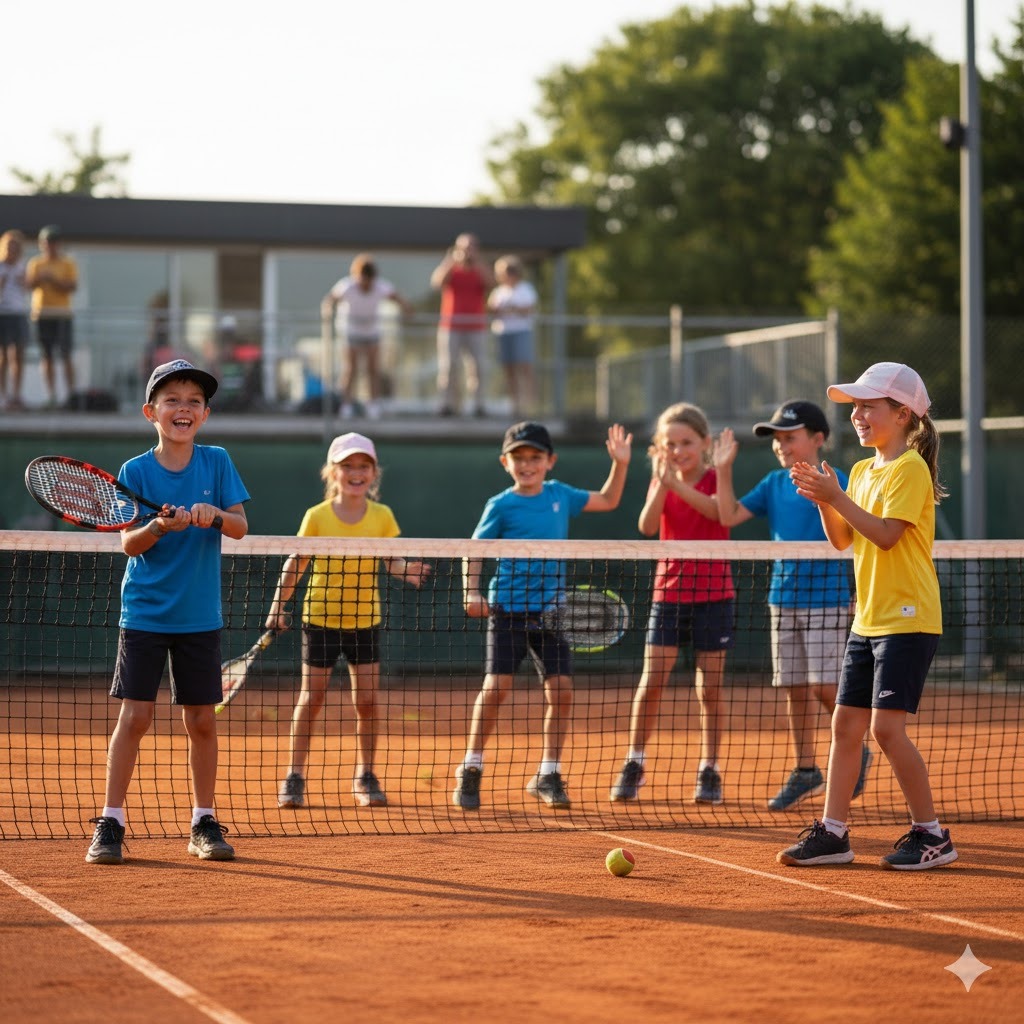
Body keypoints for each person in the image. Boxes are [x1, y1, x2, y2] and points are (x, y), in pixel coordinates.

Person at [778, 362, 958, 870]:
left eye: (868, 406)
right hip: (869, 619)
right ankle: (834, 833)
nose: (857, 415)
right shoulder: (860, 471)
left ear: (902, 414)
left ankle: (933, 834)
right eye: (854, 407)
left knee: (886, 730)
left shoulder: (910, 469)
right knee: (845, 726)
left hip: (909, 617)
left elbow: (885, 534)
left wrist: (835, 496)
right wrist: (823, 500)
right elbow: (844, 540)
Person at [85, 359, 251, 865]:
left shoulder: (217, 462)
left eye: (193, 401)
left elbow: (241, 527)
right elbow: (129, 544)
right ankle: (111, 822)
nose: (183, 408)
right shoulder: (135, 472)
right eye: (172, 399)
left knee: (202, 720)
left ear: (205, 413)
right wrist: (159, 528)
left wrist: (213, 515)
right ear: (150, 411)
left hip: (200, 617)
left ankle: (203, 820)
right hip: (145, 615)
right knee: (135, 717)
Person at [454, 420, 632, 811]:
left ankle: (548, 773)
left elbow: (608, 500)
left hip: (552, 614)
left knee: (561, 691)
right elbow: (475, 549)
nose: (527, 464)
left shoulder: (560, 495)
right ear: (505, 462)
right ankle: (471, 768)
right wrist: (471, 590)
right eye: (519, 458)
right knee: (497, 688)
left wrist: (620, 463)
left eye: (535, 457)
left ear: (550, 461)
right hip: (508, 612)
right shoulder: (500, 504)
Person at [715, 400, 872, 810]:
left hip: (827, 599)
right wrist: (723, 468)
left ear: (818, 439)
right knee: (794, 688)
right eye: (777, 439)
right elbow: (728, 515)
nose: (782, 445)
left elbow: (857, 535)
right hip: (782, 599)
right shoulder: (772, 483)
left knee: (823, 685)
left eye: (790, 437)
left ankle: (858, 747)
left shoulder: (836, 480)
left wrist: (858, 588)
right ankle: (806, 770)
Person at [265, 432, 430, 810]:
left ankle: (366, 775)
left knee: (368, 702)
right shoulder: (317, 517)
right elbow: (297, 563)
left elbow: (391, 561)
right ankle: (294, 776)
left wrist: (408, 571)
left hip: (364, 621)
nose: (356, 473)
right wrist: (278, 606)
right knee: (312, 698)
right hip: (320, 619)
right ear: (332, 472)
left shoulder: (383, 516)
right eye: (347, 466)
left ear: (373, 473)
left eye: (363, 466)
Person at [609, 403, 733, 806]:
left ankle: (709, 769)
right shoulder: (660, 480)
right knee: (652, 683)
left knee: (709, 689)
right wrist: (663, 484)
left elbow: (720, 514)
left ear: (705, 444)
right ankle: (635, 762)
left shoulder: (716, 478)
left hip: (714, 596)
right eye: (670, 444)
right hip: (670, 594)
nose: (678, 450)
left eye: (686, 443)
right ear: (659, 448)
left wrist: (676, 485)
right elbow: (647, 526)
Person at [323, 254, 412, 420]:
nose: (366, 284)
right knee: (350, 369)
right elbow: (330, 300)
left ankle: (373, 405)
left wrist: (407, 310)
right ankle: (346, 405)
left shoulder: (380, 286)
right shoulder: (347, 286)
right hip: (351, 332)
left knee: (373, 369)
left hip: (372, 332)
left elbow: (397, 298)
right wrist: (328, 312)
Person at [431, 233, 493, 417]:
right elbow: (437, 282)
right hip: (451, 326)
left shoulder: (480, 269)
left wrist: (478, 262)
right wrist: (452, 260)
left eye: (472, 247)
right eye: (465, 248)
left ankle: (478, 405)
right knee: (449, 367)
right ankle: (447, 405)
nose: (468, 252)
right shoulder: (452, 269)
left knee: (478, 367)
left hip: (476, 327)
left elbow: (491, 283)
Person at [26, 225, 78, 408]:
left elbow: (72, 286)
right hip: (42, 314)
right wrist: (41, 278)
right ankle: (51, 395)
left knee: (65, 354)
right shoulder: (35, 263)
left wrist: (53, 279)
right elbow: (28, 285)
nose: (50, 245)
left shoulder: (67, 263)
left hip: (62, 314)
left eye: (54, 242)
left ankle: (71, 395)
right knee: (46, 356)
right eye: (47, 242)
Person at [488, 255, 538, 419]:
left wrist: (512, 309)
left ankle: (530, 405)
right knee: (509, 370)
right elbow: (492, 310)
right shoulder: (498, 292)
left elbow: (527, 310)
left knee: (525, 368)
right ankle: (514, 405)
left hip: (521, 332)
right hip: (503, 333)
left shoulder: (526, 289)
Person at [0, 229, 30, 410]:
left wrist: (22, 281)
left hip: (18, 313)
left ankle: (16, 394)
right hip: (2, 313)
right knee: (2, 357)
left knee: (18, 355)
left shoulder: (22, 267)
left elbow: (28, 289)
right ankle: (2, 395)